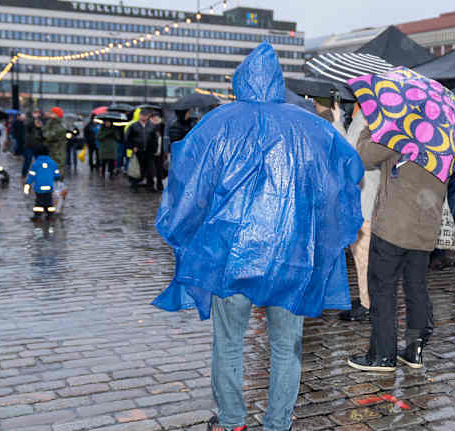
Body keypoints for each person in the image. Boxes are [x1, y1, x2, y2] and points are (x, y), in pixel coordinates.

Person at [151, 43, 363, 431]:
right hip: (290, 256)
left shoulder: (216, 123)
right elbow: (342, 177)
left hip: (229, 254)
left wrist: (188, 231)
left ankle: (232, 420)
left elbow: (189, 185)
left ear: (240, 80)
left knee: (229, 340)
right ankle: (278, 423)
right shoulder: (310, 126)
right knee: (286, 344)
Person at [347, 122, 447, 372]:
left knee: (382, 289)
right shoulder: (444, 136)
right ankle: (414, 350)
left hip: (394, 224)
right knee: (416, 288)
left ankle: (382, 355)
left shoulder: (398, 128)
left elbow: (363, 156)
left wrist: (369, 129)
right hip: (425, 225)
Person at [339, 107, 380, 322]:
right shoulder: (370, 114)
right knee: (363, 255)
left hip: (365, 199)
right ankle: (366, 298)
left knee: (363, 255)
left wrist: (337, 123)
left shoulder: (367, 116)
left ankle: (367, 303)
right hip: (369, 198)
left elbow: (349, 152)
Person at [24, 145, 61, 221]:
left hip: (39, 187)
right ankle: (50, 216)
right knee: (49, 201)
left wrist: (27, 185)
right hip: (49, 187)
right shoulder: (52, 163)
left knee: (39, 202)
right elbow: (57, 175)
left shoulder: (35, 164)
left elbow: (31, 176)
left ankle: (37, 216)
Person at [125, 109, 157, 191]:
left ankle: (150, 186)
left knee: (149, 169)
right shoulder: (133, 126)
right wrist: (132, 147)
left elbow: (155, 139)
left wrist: (154, 149)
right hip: (137, 151)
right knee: (136, 168)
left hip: (149, 151)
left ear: (148, 116)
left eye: (145, 115)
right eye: (142, 115)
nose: (143, 117)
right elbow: (127, 138)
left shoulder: (152, 126)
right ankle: (134, 185)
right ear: (139, 116)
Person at [43, 107, 68, 176]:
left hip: (57, 152)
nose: (50, 114)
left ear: (57, 115)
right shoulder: (51, 123)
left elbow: (48, 136)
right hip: (51, 151)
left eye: (52, 113)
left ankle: (59, 182)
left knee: (58, 170)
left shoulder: (60, 126)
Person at [149, 112, 166, 191]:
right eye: (154, 117)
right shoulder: (149, 127)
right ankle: (151, 184)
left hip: (160, 151)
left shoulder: (162, 126)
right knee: (151, 169)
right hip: (151, 151)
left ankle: (159, 184)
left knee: (159, 168)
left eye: (157, 117)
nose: (155, 119)